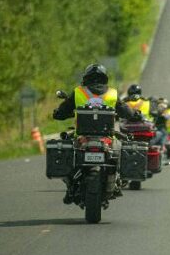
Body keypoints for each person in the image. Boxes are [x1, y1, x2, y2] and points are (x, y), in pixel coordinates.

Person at [53, 63, 136, 203]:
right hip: (107, 137)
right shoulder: (112, 93)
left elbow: (61, 112)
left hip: (81, 137)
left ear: (86, 78)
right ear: (104, 78)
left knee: (66, 155)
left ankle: (70, 188)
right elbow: (127, 112)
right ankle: (117, 183)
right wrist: (134, 114)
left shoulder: (78, 92)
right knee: (119, 153)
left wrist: (58, 114)